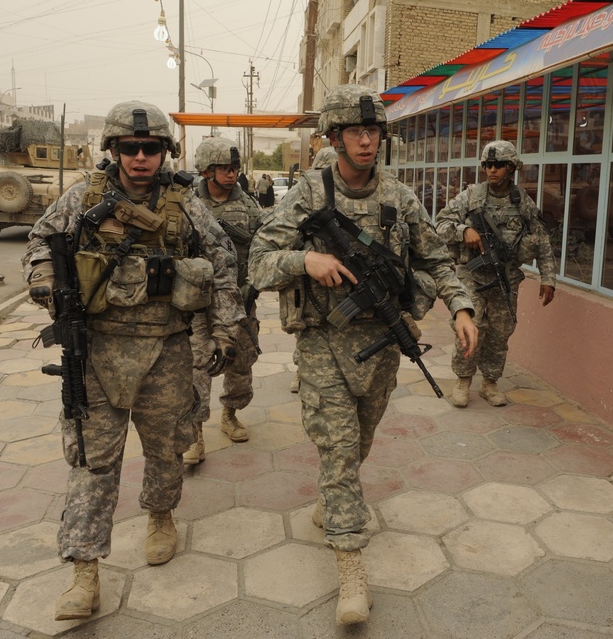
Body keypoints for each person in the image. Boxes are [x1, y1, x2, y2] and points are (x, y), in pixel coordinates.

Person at [248, 84, 478, 626]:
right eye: (355, 131)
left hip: (381, 345)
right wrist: (305, 261)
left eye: (372, 130)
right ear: (334, 138)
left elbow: (436, 258)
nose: (366, 140)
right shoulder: (307, 194)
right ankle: (351, 568)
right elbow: (258, 261)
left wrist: (461, 307)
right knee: (340, 448)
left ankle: (333, 498)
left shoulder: (399, 197)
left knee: (360, 443)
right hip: (323, 343)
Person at [21, 101, 243, 622]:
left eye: (150, 148)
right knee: (92, 460)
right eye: (130, 147)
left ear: (165, 152)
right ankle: (84, 572)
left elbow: (223, 265)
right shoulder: (82, 198)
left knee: (167, 448)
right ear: (113, 150)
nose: (140, 157)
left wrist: (224, 330)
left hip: (167, 351)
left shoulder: (186, 204)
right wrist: (45, 280)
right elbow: (39, 244)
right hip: (98, 351)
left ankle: (161, 516)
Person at [435, 140, 557, 408]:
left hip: (506, 277)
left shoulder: (521, 201)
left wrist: (548, 278)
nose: (492, 170)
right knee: (471, 326)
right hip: (472, 276)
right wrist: (463, 231)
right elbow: (440, 224)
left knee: (501, 332)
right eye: (488, 165)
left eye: (499, 165)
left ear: (511, 168)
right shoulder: (471, 196)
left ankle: (490, 383)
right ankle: (463, 380)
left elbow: (541, 239)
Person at [183, 137, 264, 464]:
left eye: (234, 168)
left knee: (241, 361)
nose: (232, 174)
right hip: (197, 303)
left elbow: (262, 248)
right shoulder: (187, 204)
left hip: (238, 299)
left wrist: (252, 285)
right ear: (206, 171)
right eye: (224, 169)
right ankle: (195, 433)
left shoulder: (249, 205)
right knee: (196, 366)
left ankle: (230, 413)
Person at [289, 145, 339, 394]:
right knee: (305, 328)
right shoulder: (303, 195)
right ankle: (301, 370)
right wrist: (306, 255)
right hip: (308, 280)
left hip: (337, 279)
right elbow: (285, 238)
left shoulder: (342, 198)